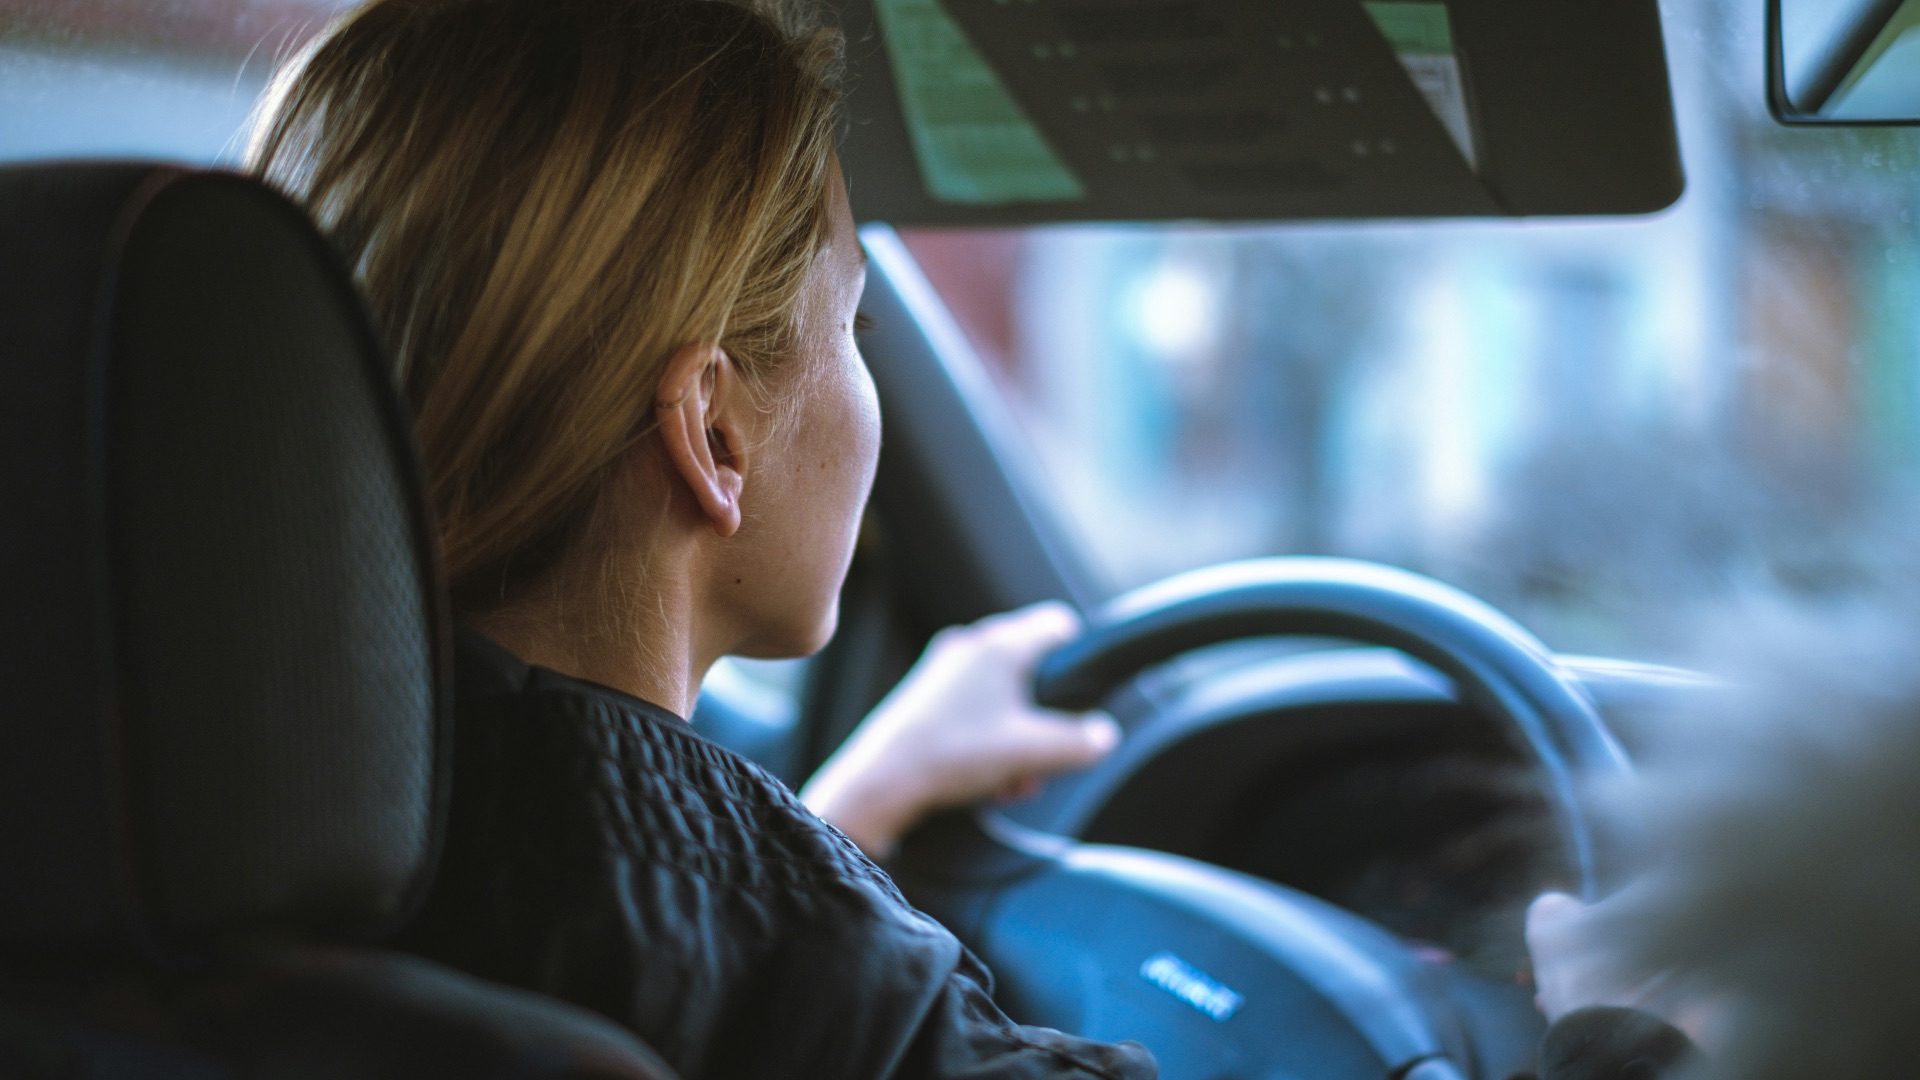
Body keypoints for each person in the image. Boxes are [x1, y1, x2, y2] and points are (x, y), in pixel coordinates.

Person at [250, 1, 1142, 1076]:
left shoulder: (204, 833)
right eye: (854, 325)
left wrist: (848, 814)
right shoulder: (861, 1015)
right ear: (713, 431)